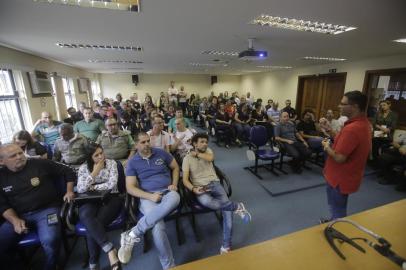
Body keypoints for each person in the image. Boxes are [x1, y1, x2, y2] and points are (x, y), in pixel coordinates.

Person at [0, 143, 75, 270]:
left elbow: (68, 170)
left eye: (20, 153)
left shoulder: (39, 163)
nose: (19, 157)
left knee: (50, 239)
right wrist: (14, 220)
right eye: (13, 156)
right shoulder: (1, 176)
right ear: (2, 161)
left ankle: (50, 266)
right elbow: (2, 204)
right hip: (18, 215)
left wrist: (69, 191)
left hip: (48, 210)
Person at [118, 133, 180, 269]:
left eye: (148, 141)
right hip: (148, 197)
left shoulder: (161, 153)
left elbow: (175, 167)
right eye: (142, 142)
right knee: (157, 226)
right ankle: (169, 266)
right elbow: (130, 188)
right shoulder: (133, 162)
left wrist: (174, 183)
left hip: (167, 192)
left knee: (175, 196)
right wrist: (150, 196)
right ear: (136, 145)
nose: (146, 144)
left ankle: (133, 233)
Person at [182, 133, 251, 254]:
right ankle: (237, 207)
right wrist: (193, 189)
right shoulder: (186, 159)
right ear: (194, 143)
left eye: (206, 142)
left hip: (215, 183)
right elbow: (185, 180)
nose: (205, 144)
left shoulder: (207, 151)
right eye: (202, 142)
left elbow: (211, 159)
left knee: (227, 213)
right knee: (208, 202)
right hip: (200, 187)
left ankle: (226, 245)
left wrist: (197, 154)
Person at [321, 90, 371, 221]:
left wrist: (327, 147)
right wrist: (329, 130)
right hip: (346, 176)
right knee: (337, 207)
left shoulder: (352, 128)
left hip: (339, 179)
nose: (339, 106)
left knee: (338, 209)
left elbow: (339, 158)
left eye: (343, 104)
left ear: (354, 107)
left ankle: (337, 228)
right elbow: (344, 142)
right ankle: (333, 221)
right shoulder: (362, 124)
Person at [76, 145, 122, 270]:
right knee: (85, 215)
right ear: (90, 158)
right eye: (96, 155)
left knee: (94, 224)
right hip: (90, 200)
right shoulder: (83, 168)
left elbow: (112, 184)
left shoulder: (111, 163)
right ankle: (110, 250)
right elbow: (80, 189)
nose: (101, 156)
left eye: (101, 153)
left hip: (111, 198)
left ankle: (93, 260)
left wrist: (93, 186)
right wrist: (95, 173)